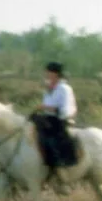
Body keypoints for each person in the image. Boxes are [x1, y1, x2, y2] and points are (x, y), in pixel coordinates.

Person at [31, 61, 78, 189]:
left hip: (61, 120)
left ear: (56, 74)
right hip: (49, 118)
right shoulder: (49, 88)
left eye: (49, 72)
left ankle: (59, 174)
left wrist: (46, 107)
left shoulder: (64, 89)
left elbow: (66, 109)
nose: (47, 74)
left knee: (50, 141)